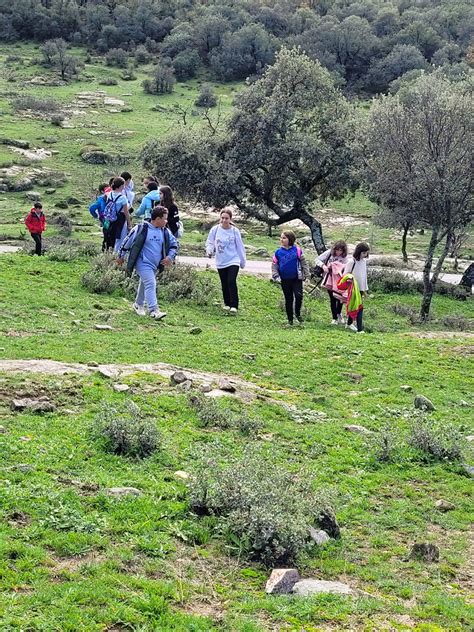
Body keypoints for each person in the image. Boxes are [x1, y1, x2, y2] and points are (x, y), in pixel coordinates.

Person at [117, 206, 177, 320]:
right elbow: (127, 241)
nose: (166, 221)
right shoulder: (141, 228)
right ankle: (154, 310)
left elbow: (174, 245)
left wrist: (170, 257)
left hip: (156, 265)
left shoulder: (165, 231)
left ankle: (138, 304)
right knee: (151, 283)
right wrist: (121, 256)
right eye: (164, 218)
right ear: (157, 219)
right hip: (142, 262)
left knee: (145, 284)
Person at [206, 208, 246, 315]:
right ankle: (227, 303)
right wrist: (209, 251)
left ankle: (234, 305)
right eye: (222, 218)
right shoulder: (215, 230)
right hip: (221, 260)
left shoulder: (234, 231)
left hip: (233, 259)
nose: (224, 220)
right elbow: (210, 242)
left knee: (231, 281)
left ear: (230, 219)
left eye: (226, 218)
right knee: (224, 283)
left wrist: (242, 261)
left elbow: (240, 247)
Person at [272, 231, 309, 326]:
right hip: (284, 279)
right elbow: (274, 265)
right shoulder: (278, 252)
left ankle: (297, 313)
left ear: (290, 239)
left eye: (284, 238)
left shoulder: (297, 250)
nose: (281, 240)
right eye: (281, 237)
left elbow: (304, 263)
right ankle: (290, 320)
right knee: (288, 299)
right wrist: (276, 275)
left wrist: (307, 275)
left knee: (299, 296)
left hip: (296, 278)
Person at [316, 240, 348, 325]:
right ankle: (334, 318)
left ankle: (339, 313)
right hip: (329, 279)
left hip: (339, 280)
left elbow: (346, 267)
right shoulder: (329, 253)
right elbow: (317, 259)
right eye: (337, 250)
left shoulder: (344, 257)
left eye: (341, 250)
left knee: (339, 297)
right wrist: (323, 266)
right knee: (332, 298)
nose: (339, 252)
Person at [340, 242, 370, 333]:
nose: (365, 255)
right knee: (359, 307)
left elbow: (364, 276)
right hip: (353, 289)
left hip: (360, 288)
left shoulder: (364, 262)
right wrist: (350, 279)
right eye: (364, 253)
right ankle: (360, 329)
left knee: (355, 306)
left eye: (366, 253)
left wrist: (365, 289)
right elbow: (345, 274)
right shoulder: (351, 261)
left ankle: (349, 323)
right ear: (359, 252)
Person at [102, 177, 131, 252]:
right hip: (120, 219)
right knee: (120, 238)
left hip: (109, 218)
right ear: (121, 186)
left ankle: (108, 251)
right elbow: (126, 212)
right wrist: (129, 224)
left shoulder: (110, 194)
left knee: (110, 235)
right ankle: (116, 254)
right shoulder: (123, 198)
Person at [89, 183, 108, 251]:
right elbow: (92, 208)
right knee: (107, 235)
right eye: (106, 188)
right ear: (102, 191)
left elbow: (92, 208)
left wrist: (96, 216)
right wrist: (96, 216)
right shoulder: (101, 199)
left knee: (107, 235)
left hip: (106, 219)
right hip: (105, 220)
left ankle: (106, 250)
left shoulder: (105, 198)